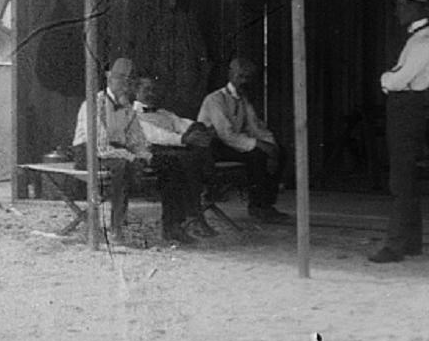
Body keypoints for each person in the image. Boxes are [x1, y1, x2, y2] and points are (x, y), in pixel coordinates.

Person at [70, 57, 191, 245]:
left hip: (118, 150)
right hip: (89, 150)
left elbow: (136, 138)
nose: (125, 84)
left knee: (170, 161)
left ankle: (173, 226)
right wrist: (131, 156)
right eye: (121, 79)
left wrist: (147, 155)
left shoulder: (126, 106)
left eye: (128, 81)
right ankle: (116, 228)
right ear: (109, 80)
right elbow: (100, 145)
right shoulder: (95, 103)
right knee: (122, 166)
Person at [368, 0, 429, 263]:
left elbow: (396, 79)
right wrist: (392, 78)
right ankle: (411, 242)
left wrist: (387, 79)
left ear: (416, 8)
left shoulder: (424, 42)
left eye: (401, 6)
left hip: (406, 106)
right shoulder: (416, 40)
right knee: (405, 177)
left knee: (401, 179)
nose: (397, 11)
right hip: (405, 105)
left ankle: (395, 246)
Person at [197, 58, 292, 224]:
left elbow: (256, 127)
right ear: (231, 75)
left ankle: (266, 205)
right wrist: (260, 146)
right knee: (257, 155)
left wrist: (272, 147)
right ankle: (257, 206)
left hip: (232, 144)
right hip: (212, 147)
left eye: (247, 77)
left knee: (279, 151)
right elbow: (225, 134)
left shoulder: (243, 100)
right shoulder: (215, 99)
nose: (244, 81)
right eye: (240, 77)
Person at [132, 75, 218, 239]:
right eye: (146, 90)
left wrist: (199, 130)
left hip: (176, 149)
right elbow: (154, 135)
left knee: (194, 153)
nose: (151, 93)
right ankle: (178, 223)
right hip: (151, 152)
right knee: (178, 164)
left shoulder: (165, 113)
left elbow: (182, 124)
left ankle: (191, 218)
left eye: (154, 90)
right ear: (136, 91)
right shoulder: (132, 114)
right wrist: (183, 139)